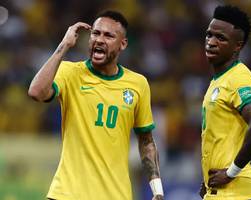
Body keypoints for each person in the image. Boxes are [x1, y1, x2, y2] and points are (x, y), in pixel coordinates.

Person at [28, 10, 164, 200]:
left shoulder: (138, 84)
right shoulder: (69, 72)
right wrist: (64, 45)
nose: (99, 39)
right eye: (95, 33)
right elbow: (36, 92)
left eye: (108, 35)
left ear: (123, 43)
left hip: (115, 195)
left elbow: (146, 140)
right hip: (66, 193)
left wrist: (157, 189)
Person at [199, 5, 251, 200]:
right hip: (220, 192)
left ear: (237, 45)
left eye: (220, 38)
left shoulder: (239, 77)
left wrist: (230, 173)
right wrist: (206, 180)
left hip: (236, 193)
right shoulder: (219, 80)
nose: (211, 42)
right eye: (209, 35)